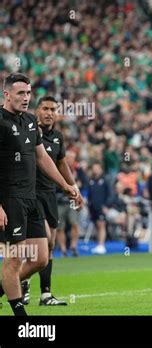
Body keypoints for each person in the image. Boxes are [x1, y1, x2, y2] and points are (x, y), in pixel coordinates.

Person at [0, 73, 80, 315]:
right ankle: (21, 318)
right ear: (6, 94)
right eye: (20, 93)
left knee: (41, 257)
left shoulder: (30, 122)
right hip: (9, 199)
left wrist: (66, 185)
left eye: (28, 93)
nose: (26, 98)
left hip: (31, 197)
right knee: (13, 259)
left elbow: (42, 157)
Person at [21, 96, 84, 306]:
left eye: (53, 109)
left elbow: (61, 163)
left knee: (50, 245)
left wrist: (73, 187)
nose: (49, 113)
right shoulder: (29, 133)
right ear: (37, 110)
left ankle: (46, 294)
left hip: (50, 194)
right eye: (45, 108)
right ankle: (23, 280)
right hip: (32, 194)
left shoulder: (57, 137)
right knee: (44, 238)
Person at [88, 163, 112, 254]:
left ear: (101, 169)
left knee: (101, 225)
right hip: (93, 207)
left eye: (97, 168)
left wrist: (106, 206)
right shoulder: (91, 181)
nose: (95, 170)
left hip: (102, 207)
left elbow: (110, 194)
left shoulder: (105, 181)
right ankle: (99, 244)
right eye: (94, 168)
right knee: (97, 225)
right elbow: (90, 195)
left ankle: (102, 245)